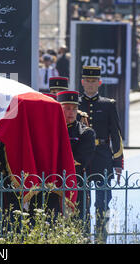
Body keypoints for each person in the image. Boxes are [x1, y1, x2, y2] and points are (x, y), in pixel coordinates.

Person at [78, 66, 124, 243]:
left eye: (93, 81)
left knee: (103, 201)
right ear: (82, 82)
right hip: (83, 157)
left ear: (99, 82)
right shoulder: (76, 105)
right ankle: (82, 235)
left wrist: (118, 162)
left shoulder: (108, 104)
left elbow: (116, 135)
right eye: (87, 81)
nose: (90, 84)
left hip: (103, 156)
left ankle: (101, 237)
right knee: (82, 201)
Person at [57, 90, 95, 232]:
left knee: (79, 224)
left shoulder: (85, 132)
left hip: (76, 183)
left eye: (74, 108)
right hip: (53, 184)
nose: (71, 112)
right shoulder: (52, 131)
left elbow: (81, 159)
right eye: (67, 108)